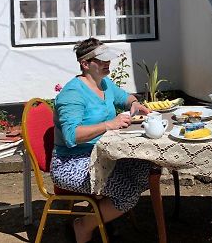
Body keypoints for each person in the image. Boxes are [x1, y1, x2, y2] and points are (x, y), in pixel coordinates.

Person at [51, 37, 151, 243]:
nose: (108, 63)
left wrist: (135, 104)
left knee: (144, 167)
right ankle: (83, 226)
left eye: (108, 59)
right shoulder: (72, 94)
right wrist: (108, 125)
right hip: (72, 162)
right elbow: (72, 135)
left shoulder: (103, 84)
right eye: (101, 60)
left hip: (103, 154)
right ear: (85, 64)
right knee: (128, 191)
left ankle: (101, 216)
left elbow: (125, 97)